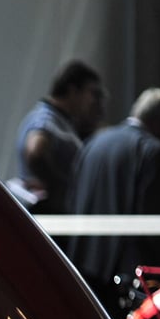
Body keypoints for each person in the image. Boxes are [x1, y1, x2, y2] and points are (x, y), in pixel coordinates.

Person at [65, 88, 160, 319]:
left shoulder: (93, 142)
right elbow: (153, 218)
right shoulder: (153, 151)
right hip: (125, 273)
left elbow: (73, 199)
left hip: (83, 264)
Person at [13, 60, 107, 213]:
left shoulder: (60, 122)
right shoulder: (46, 119)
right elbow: (35, 151)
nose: (94, 102)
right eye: (92, 94)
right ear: (73, 91)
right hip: (49, 216)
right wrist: (61, 188)